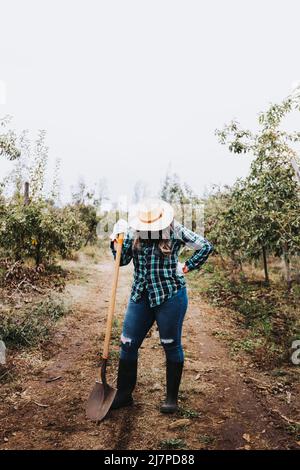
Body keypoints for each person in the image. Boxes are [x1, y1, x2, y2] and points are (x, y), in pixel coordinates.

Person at [109, 198, 213, 413]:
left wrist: (186, 267)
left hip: (170, 297)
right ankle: (124, 394)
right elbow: (121, 261)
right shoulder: (132, 232)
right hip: (141, 296)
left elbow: (205, 246)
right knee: (127, 343)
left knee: (170, 344)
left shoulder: (176, 231)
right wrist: (115, 241)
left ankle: (171, 398)